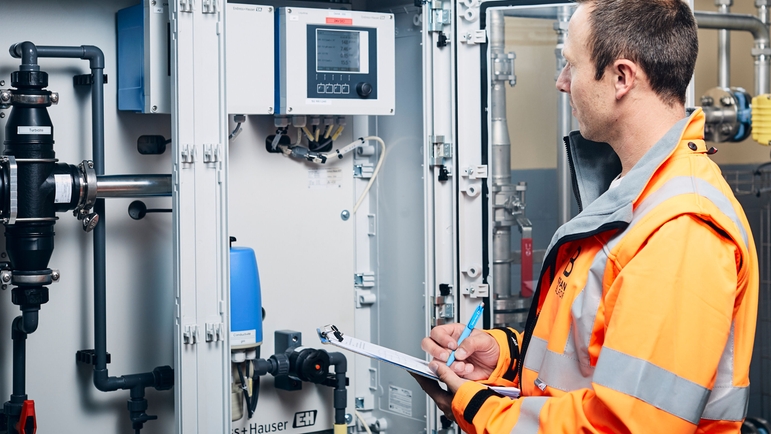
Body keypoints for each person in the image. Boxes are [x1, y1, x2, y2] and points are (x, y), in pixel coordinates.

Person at [414, 0, 759, 432]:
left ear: (621, 77)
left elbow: (625, 425)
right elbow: (588, 356)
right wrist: (504, 357)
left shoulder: (680, 228)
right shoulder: (632, 194)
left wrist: (480, 409)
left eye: (570, 65)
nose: (561, 83)